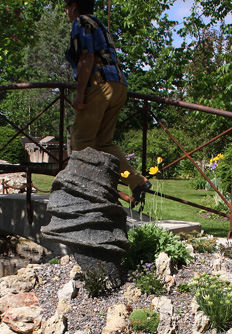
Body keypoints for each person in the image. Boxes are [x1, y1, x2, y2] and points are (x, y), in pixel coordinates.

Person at [64, 0, 152, 207]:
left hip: (100, 85)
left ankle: (86, 192)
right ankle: (136, 181)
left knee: (80, 140)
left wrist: (79, 94)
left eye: (66, 7)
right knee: (103, 143)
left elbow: (86, 58)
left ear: (74, 6)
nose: (66, 12)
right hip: (118, 86)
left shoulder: (81, 22)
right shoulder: (99, 23)